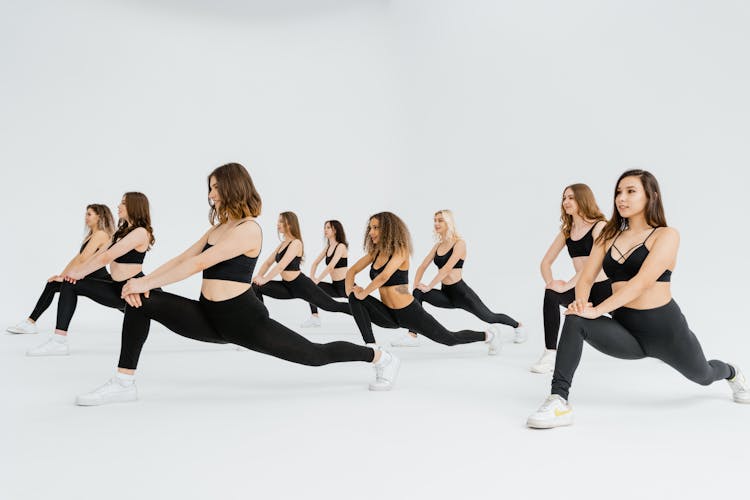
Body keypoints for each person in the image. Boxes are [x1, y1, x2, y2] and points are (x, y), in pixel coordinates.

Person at [75, 163, 400, 406]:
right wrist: (142, 283)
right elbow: (182, 257)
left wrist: (143, 281)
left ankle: (378, 357)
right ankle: (123, 382)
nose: (210, 194)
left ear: (232, 188)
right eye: (210, 188)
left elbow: (198, 264)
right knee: (141, 300)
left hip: (246, 322)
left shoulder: (248, 229)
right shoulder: (219, 228)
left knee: (315, 355)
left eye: (215, 187)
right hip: (208, 317)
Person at [527, 170, 750, 429]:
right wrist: (581, 304)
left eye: (631, 191)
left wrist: (597, 309)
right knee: (575, 319)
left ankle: (732, 372)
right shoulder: (607, 236)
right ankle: (559, 401)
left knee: (704, 375)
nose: (622, 198)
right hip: (627, 332)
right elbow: (586, 278)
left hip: (666, 332)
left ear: (651, 196)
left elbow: (641, 283)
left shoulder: (666, 235)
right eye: (618, 192)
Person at [347, 212, 499, 354]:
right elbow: (351, 271)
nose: (371, 232)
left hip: (409, 312)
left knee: (449, 339)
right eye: (370, 228)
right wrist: (352, 291)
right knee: (354, 297)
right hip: (388, 314)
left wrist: (364, 292)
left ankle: (488, 335)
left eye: (375, 228)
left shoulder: (401, 250)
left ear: (388, 230)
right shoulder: (375, 253)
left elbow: (384, 277)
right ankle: (372, 347)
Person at [26, 193, 154, 357]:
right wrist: (69, 275)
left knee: (169, 318)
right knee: (69, 284)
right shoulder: (120, 232)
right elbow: (98, 255)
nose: (118, 206)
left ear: (134, 207)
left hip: (132, 290)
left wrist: (77, 274)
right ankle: (58, 341)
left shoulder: (140, 232)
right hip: (116, 288)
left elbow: (107, 258)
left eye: (123, 203)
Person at [394, 209, 525, 348]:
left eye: (440, 220)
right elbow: (422, 266)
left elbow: (446, 269)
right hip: (446, 294)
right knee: (418, 293)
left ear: (448, 223)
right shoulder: (438, 246)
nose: (436, 223)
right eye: (435, 220)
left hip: (462, 294)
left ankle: (518, 326)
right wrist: (416, 286)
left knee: (489, 317)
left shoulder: (459, 244)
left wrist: (429, 286)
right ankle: (412, 335)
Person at [531, 185, 612, 373]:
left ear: (583, 200)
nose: (566, 202)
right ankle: (550, 354)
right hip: (582, 290)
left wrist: (566, 285)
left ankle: (660, 343)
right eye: (564, 198)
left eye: (571, 198)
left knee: (634, 322)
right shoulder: (567, 231)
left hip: (605, 290)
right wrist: (552, 283)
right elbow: (545, 263)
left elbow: (593, 265)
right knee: (551, 293)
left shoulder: (599, 226)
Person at [7, 204, 114, 334]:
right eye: (86, 214)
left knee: (124, 305)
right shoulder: (91, 235)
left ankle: (31, 323)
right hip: (85, 276)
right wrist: (61, 276)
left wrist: (64, 277)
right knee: (53, 284)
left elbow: (83, 259)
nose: (86, 217)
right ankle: (30, 323)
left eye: (89, 214)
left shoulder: (101, 234)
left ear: (99, 216)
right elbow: (76, 258)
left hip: (98, 278)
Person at [252, 212, 351, 321]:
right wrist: (259, 277)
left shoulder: (296, 243)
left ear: (289, 224)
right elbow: (267, 263)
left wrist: (265, 279)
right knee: (256, 286)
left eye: (281, 221)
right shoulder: (282, 244)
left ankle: (362, 314)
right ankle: (261, 321)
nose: (277, 224)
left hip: (302, 285)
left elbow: (281, 266)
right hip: (286, 286)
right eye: (278, 221)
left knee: (333, 306)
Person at [300, 220, 351, 328]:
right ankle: (315, 317)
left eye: (328, 227)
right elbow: (315, 263)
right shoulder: (328, 247)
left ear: (335, 230)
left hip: (346, 286)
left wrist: (317, 280)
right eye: (325, 227)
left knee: (361, 303)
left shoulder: (341, 246)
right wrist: (312, 278)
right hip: (335, 286)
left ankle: (370, 317)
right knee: (309, 287)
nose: (325, 230)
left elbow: (330, 266)